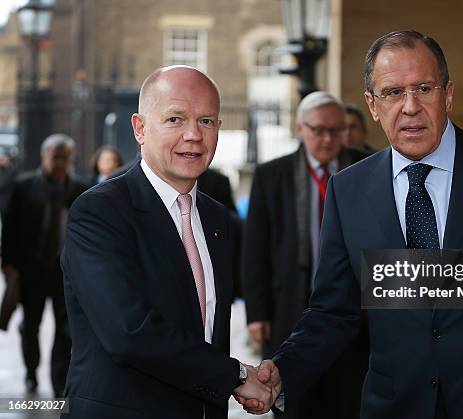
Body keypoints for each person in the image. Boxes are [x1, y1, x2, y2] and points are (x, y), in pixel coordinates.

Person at [247, 30, 463, 419]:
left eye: (424, 88)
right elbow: (334, 311)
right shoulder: (348, 190)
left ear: (448, 95)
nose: (410, 107)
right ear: (372, 105)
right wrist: (283, 371)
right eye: (392, 93)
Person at [60, 65, 273, 419]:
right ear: (140, 128)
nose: (193, 135)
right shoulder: (100, 210)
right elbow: (130, 332)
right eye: (175, 119)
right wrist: (235, 376)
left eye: (206, 121)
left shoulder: (218, 218)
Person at [241, 91, 370, 419]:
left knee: (348, 395)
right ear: (300, 128)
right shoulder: (273, 175)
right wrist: (256, 313)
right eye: (318, 130)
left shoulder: (367, 169)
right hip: (290, 303)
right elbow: (255, 246)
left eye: (336, 131)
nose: (327, 139)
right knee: (295, 398)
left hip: (355, 304)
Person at [1, 134, 88, 396]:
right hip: (32, 269)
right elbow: (10, 228)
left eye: (65, 158)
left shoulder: (79, 189)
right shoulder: (24, 186)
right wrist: (8, 264)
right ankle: (31, 372)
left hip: (66, 273)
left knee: (65, 331)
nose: (60, 163)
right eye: (55, 157)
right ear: (44, 156)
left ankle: (58, 381)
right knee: (31, 325)